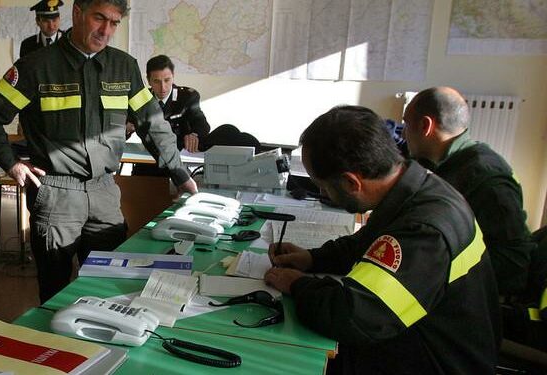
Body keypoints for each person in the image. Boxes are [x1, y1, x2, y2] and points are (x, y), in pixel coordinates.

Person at [0, 0, 198, 303]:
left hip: (105, 193)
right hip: (57, 197)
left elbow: (153, 124)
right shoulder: (37, 66)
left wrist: (180, 174)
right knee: (55, 295)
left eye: (115, 22)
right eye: (99, 18)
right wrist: (13, 165)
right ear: (78, 13)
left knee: (107, 289)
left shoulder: (124, 66)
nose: (106, 30)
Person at [264, 106, 500, 374]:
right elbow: (367, 243)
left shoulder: (424, 230)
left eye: (324, 186)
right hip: (418, 336)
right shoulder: (414, 187)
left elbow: (356, 318)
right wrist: (312, 258)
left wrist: (299, 285)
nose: (322, 192)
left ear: (352, 183)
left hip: (438, 361)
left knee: (285, 358)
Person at [403, 86, 534, 296]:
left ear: (426, 126)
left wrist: (439, 270)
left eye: (406, 125)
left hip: (475, 294)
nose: (403, 133)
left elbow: (514, 263)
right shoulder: (442, 160)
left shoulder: (486, 178)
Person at [130, 55, 211, 176]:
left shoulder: (187, 97)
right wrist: (126, 128)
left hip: (177, 160)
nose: (163, 87)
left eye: (167, 80)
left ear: (173, 77)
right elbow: (123, 127)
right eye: (156, 81)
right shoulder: (140, 99)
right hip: (148, 159)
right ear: (148, 80)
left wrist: (194, 134)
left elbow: (202, 124)